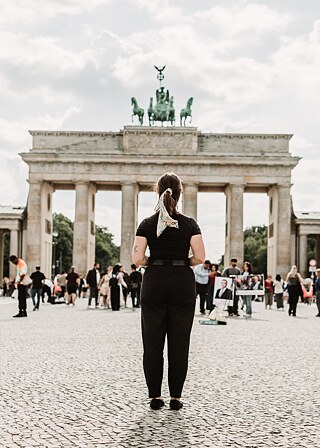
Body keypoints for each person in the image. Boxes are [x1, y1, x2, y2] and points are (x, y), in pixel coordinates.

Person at [132, 172, 205, 411]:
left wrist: (153, 260)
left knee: (152, 342)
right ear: (180, 193)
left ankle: (155, 395)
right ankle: (176, 397)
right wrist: (183, 262)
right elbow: (200, 257)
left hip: (154, 281)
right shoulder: (189, 223)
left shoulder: (146, 223)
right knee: (179, 341)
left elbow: (137, 258)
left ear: (157, 192)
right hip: (182, 282)